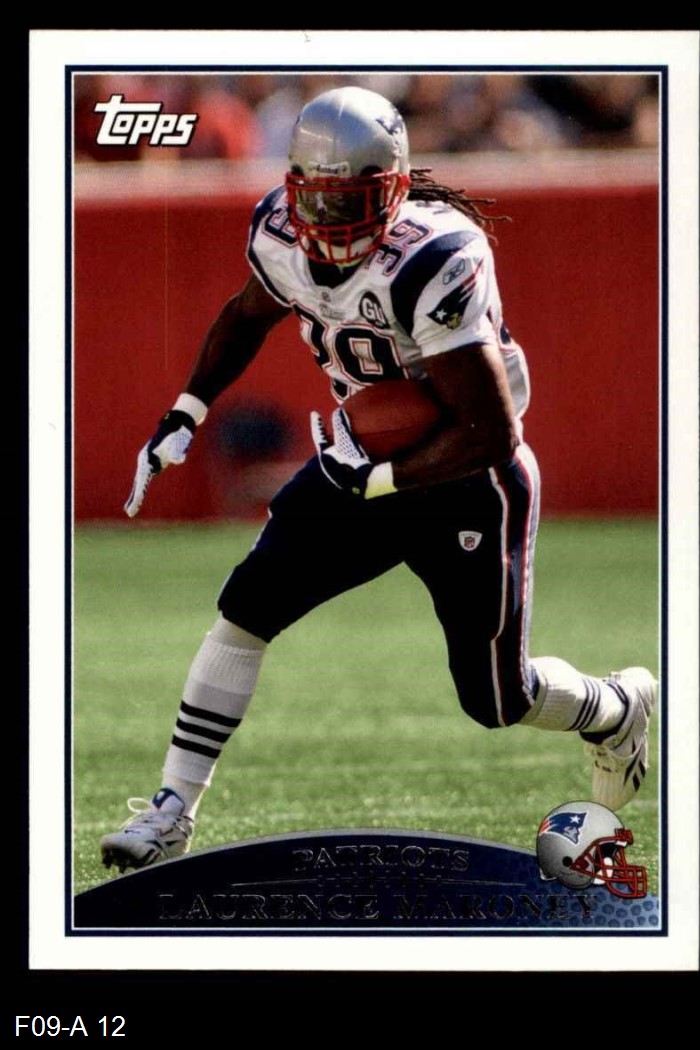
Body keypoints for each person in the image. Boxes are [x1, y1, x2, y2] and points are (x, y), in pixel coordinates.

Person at [100, 86, 656, 873]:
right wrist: (186, 410)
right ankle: (171, 811)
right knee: (243, 613)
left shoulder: (435, 257)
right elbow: (247, 312)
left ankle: (614, 708)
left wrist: (380, 481)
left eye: (350, 201)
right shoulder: (277, 229)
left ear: (392, 188)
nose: (328, 221)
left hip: (466, 477)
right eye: (315, 199)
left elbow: (490, 432)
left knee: (496, 700)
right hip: (362, 461)